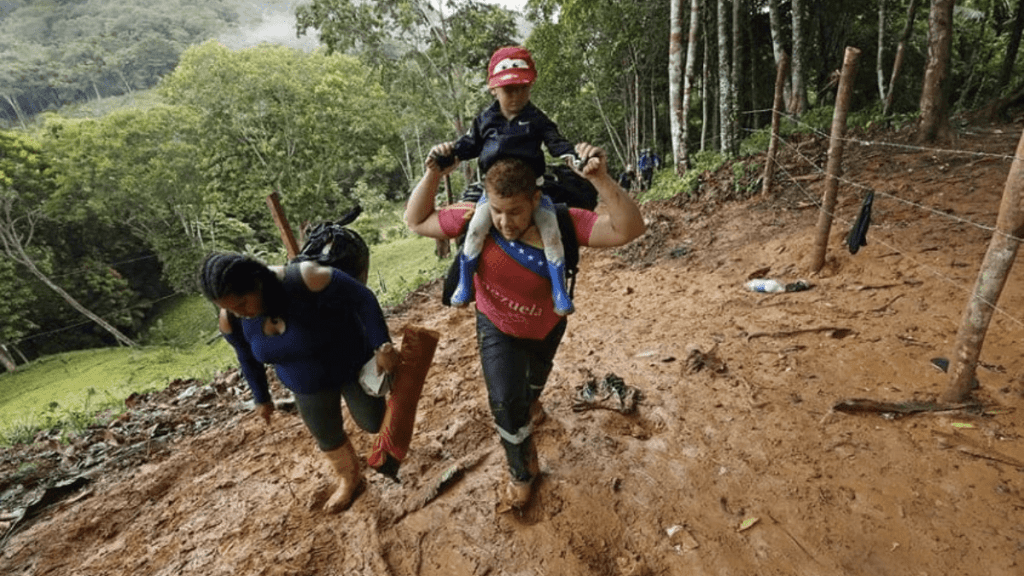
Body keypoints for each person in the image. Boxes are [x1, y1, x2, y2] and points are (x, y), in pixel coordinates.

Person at [405, 142, 645, 509]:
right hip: (495, 326)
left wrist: (600, 179)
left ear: (535, 199)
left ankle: (532, 402)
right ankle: (522, 470)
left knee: (533, 384)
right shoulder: (472, 219)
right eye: (497, 211)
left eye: (515, 211)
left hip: (547, 327)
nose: (505, 222)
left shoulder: (562, 222)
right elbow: (416, 221)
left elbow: (629, 229)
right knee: (504, 400)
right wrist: (433, 174)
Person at [199, 253, 400, 513]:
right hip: (305, 384)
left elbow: (363, 298)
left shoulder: (305, 278)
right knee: (327, 435)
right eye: (231, 308)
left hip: (351, 366)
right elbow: (247, 358)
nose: (241, 313)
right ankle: (350, 478)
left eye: (242, 303)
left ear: (257, 283)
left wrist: (382, 345)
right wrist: (261, 398)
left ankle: (393, 448)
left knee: (373, 422)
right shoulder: (232, 320)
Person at [430, 45, 580, 316]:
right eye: (509, 89)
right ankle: (465, 283)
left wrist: (575, 157)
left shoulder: (536, 119)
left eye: (522, 88)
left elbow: (556, 142)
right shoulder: (485, 120)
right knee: (475, 229)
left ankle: (558, 289)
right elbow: (468, 145)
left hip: (531, 192)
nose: (516, 95)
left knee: (551, 232)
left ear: (530, 86)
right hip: (494, 195)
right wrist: (447, 153)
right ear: (494, 89)